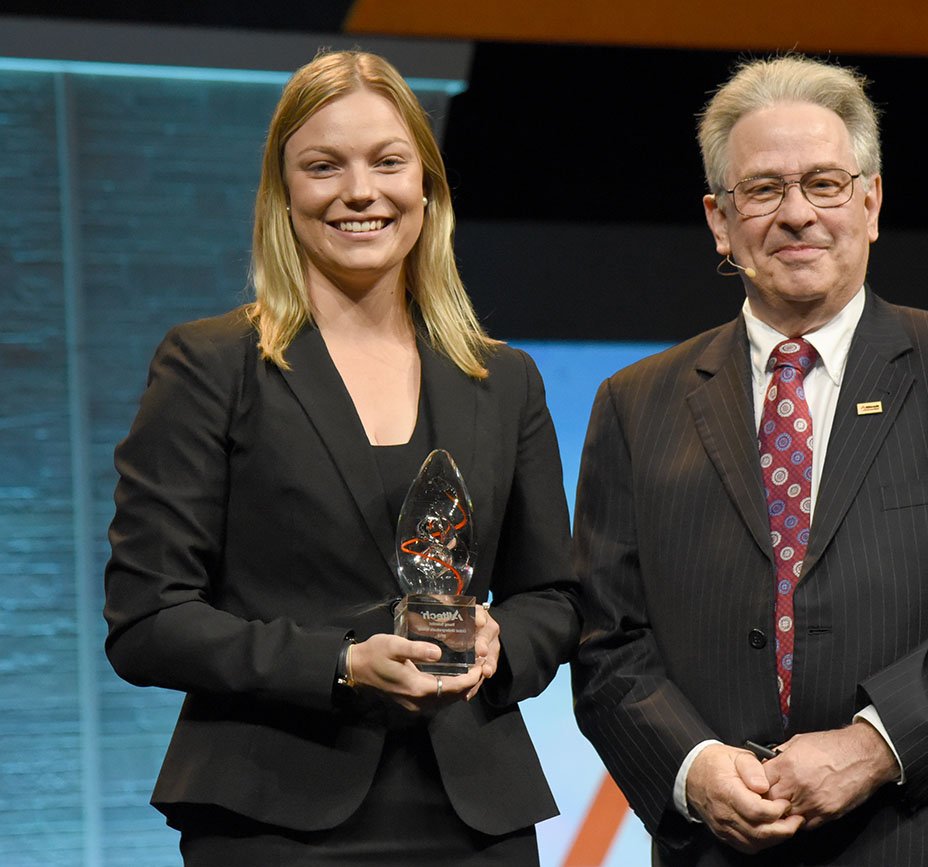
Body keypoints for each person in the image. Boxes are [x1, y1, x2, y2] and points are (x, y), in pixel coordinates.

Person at [571, 55, 928, 866]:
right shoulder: (635, 404)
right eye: (764, 190)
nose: (797, 214)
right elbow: (606, 642)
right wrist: (695, 770)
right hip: (727, 847)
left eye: (824, 183)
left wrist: (874, 745)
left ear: (872, 201)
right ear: (719, 219)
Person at [104, 50, 579, 865]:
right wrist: (338, 664)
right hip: (271, 814)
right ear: (284, 194)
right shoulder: (211, 364)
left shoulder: (503, 378)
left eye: (388, 162)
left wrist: (506, 641)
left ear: (425, 189)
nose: (360, 191)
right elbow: (148, 619)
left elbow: (556, 596)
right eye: (324, 166)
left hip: (477, 817)